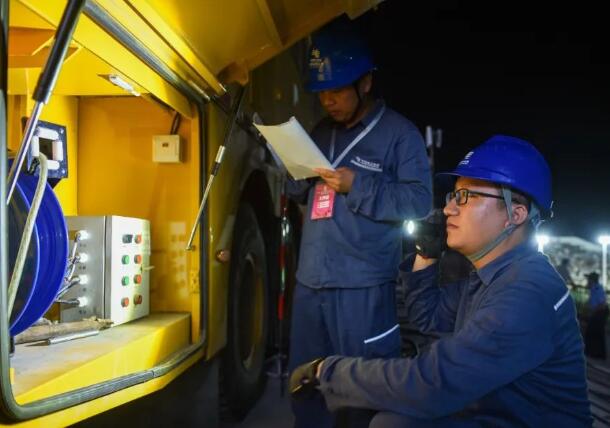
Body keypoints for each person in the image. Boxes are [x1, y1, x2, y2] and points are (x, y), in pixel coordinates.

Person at [291, 135, 592, 427]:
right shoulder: (494, 278)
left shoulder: (527, 292)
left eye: (466, 197)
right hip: (497, 415)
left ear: (515, 214)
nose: (448, 208)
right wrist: (427, 252)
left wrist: (328, 372)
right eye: (453, 196)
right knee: (393, 422)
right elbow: (430, 316)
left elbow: (433, 385)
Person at [286, 21, 432, 428]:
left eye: (336, 91)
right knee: (306, 385)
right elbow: (299, 193)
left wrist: (358, 186)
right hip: (310, 282)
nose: (327, 101)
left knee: (362, 389)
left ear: (365, 82)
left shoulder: (399, 135)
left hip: (362, 287)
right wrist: (293, 171)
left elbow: (419, 201)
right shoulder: (320, 131)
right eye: (322, 93)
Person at [584, 271, 609, 359]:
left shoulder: (598, 288)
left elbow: (602, 304)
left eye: (588, 279)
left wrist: (593, 312)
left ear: (592, 280)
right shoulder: (593, 288)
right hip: (597, 312)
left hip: (600, 312)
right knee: (593, 332)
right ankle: (593, 353)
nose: (587, 280)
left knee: (595, 332)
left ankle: (597, 354)